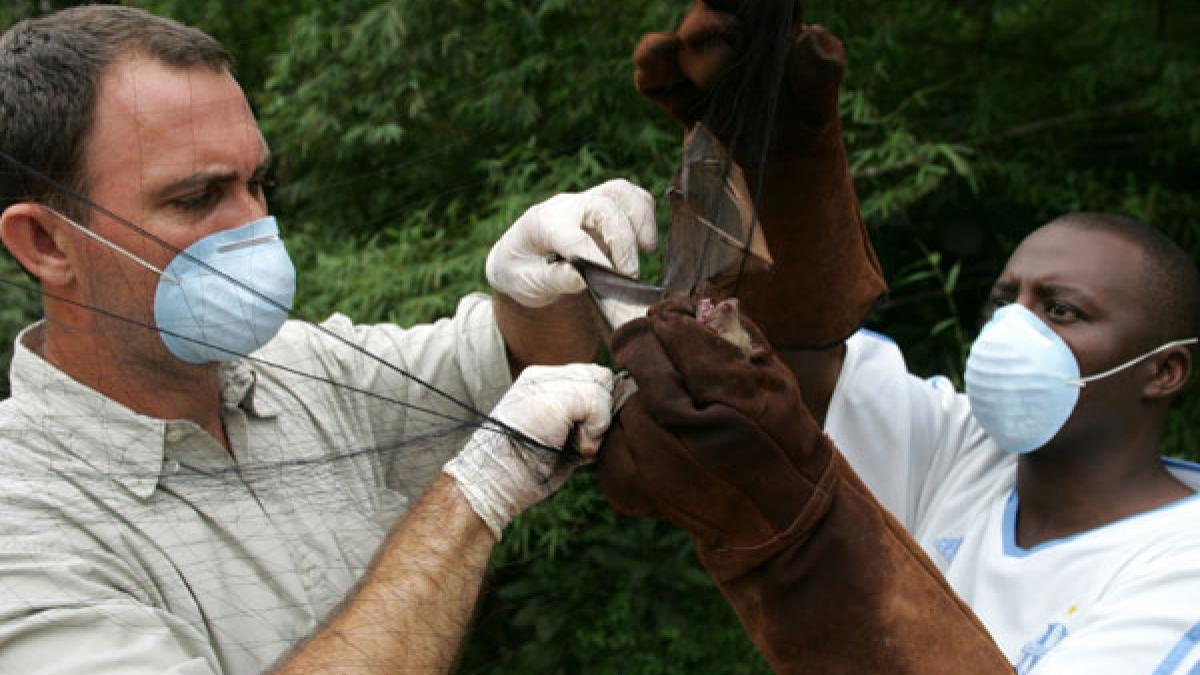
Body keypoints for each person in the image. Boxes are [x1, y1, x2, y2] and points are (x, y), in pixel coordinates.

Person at [0, 5, 653, 673]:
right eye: (197, 197)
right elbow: (500, 442)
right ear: (48, 242)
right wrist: (477, 493)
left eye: (257, 183)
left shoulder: (294, 365)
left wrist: (546, 285)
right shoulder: (22, 525)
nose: (253, 227)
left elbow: (514, 366)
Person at [597, 1, 1200, 673]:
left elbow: (790, 463)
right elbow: (783, 373)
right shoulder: (962, 447)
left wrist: (796, 541)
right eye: (1005, 301)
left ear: (1165, 370)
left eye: (1059, 311)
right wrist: (780, 166)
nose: (1014, 327)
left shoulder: (1183, 567)